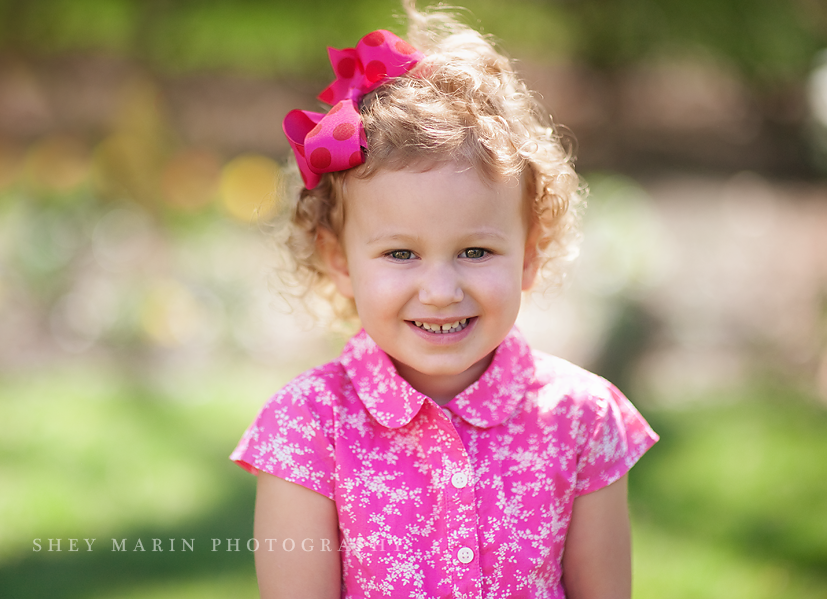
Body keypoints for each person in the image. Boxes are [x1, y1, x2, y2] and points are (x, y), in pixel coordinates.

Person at [231, 3, 658, 598]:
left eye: (476, 252)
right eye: (400, 254)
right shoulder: (307, 428)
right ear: (338, 260)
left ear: (529, 253)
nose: (440, 291)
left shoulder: (581, 418)